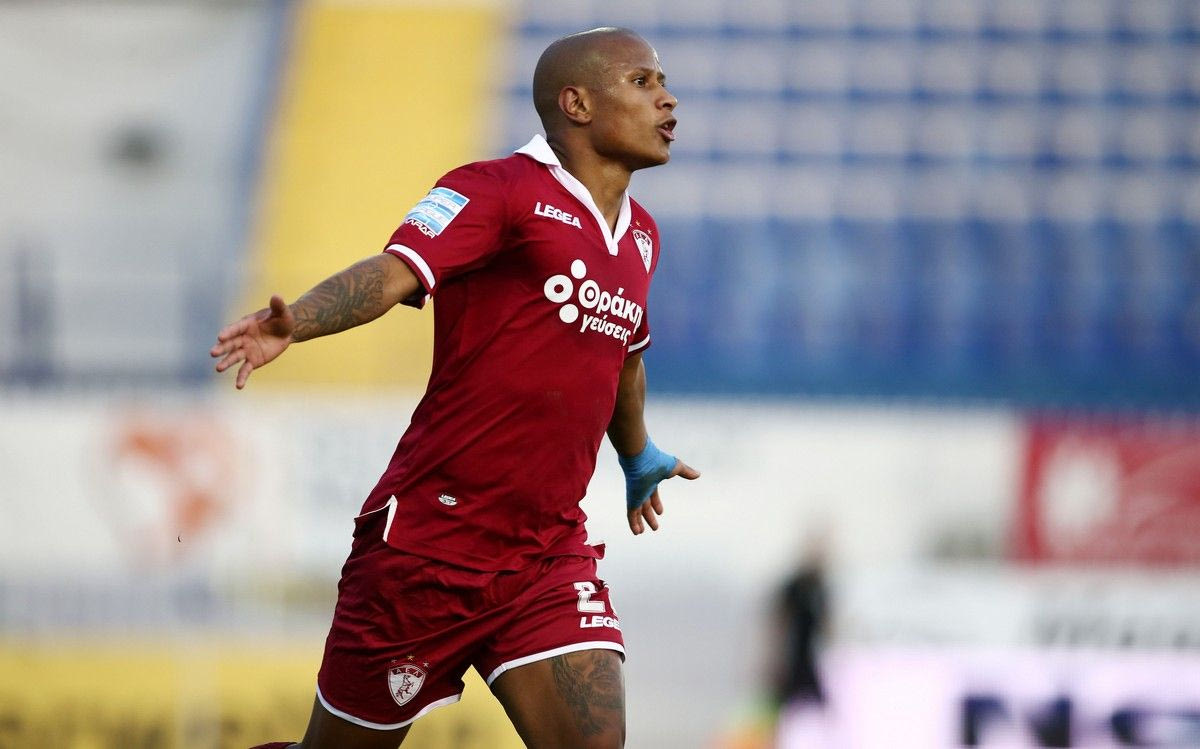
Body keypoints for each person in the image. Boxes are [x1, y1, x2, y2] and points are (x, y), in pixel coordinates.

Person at [212, 27, 698, 749]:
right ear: (577, 104)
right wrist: (300, 321)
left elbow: (623, 355)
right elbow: (392, 272)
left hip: (545, 552)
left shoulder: (642, 236)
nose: (667, 98)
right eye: (642, 81)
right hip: (427, 550)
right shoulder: (497, 190)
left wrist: (637, 453)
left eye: (662, 82)